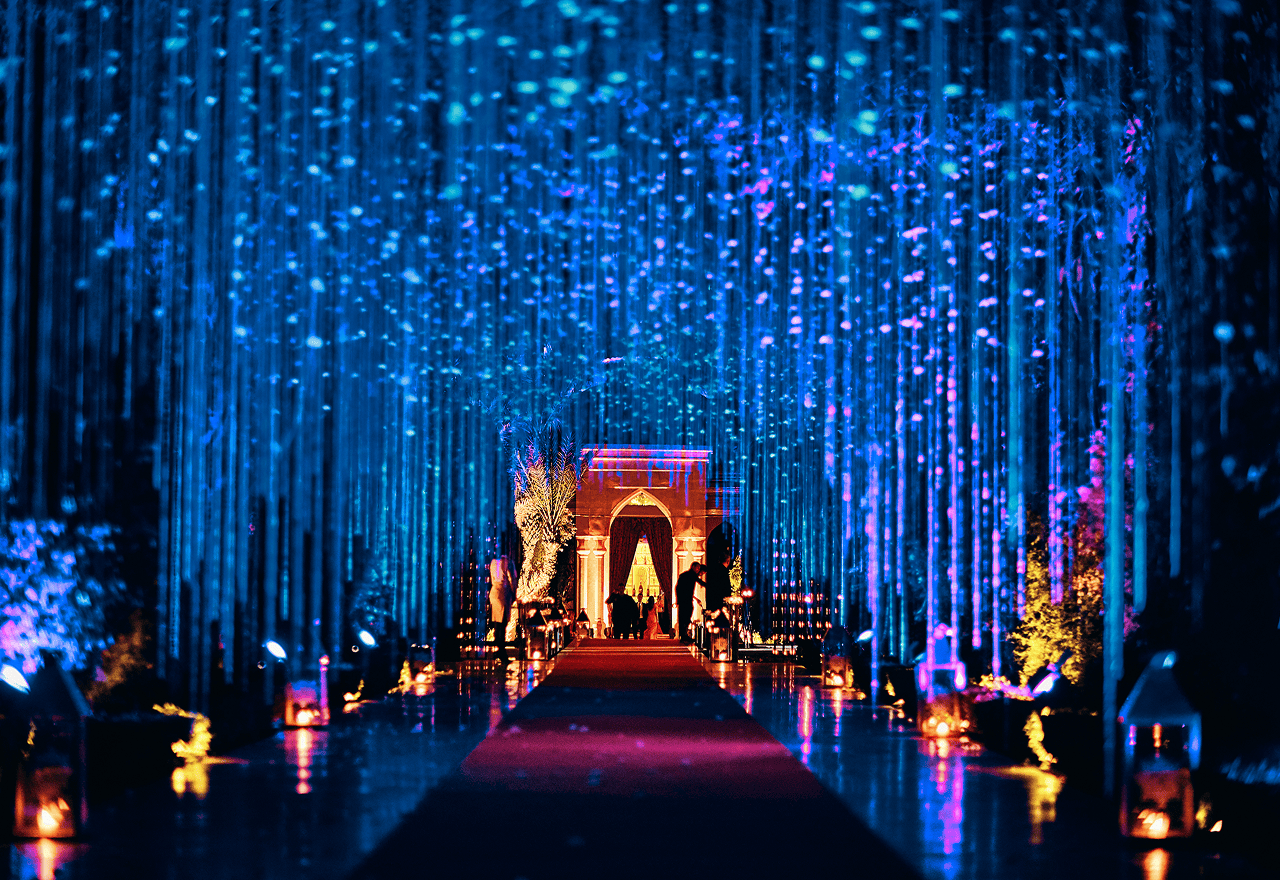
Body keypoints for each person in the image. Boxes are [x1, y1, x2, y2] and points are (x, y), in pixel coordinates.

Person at [487, 556, 515, 657]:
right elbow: (512, 579)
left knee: (497, 623)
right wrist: (514, 593)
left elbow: (491, 578)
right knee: (503, 623)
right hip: (503, 593)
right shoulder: (508, 562)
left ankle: (497, 648)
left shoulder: (493, 562)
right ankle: (501, 651)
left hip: (494, 592)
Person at [674, 562, 704, 644]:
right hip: (686, 599)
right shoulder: (692, 575)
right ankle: (684, 635)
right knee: (686, 616)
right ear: (693, 567)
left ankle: (683, 635)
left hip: (683, 599)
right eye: (697, 568)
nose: (698, 570)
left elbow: (677, 588)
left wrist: (678, 600)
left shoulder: (684, 575)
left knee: (683, 617)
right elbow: (700, 582)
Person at [704, 550, 732, 617]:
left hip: (712, 598)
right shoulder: (724, 571)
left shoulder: (714, 570)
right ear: (728, 561)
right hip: (720, 599)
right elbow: (726, 586)